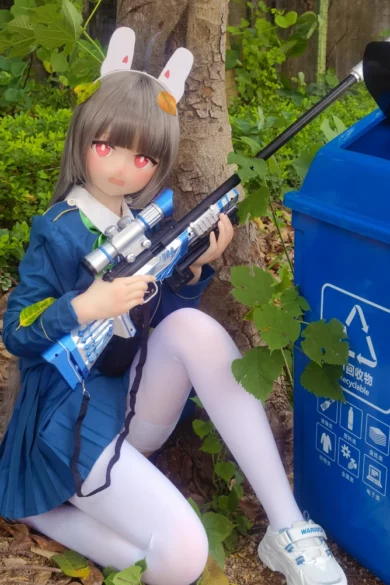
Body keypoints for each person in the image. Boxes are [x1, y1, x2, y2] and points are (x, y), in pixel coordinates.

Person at [0, 27, 347, 585]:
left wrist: (193, 270)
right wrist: (86, 306)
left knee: (191, 325)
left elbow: (152, 321)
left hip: (126, 403)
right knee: (182, 561)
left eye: (143, 157)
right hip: (66, 422)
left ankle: (287, 530)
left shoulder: (139, 226)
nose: (122, 167)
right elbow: (18, 329)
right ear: (84, 139)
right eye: (107, 146)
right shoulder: (58, 230)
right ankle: (41, 507)